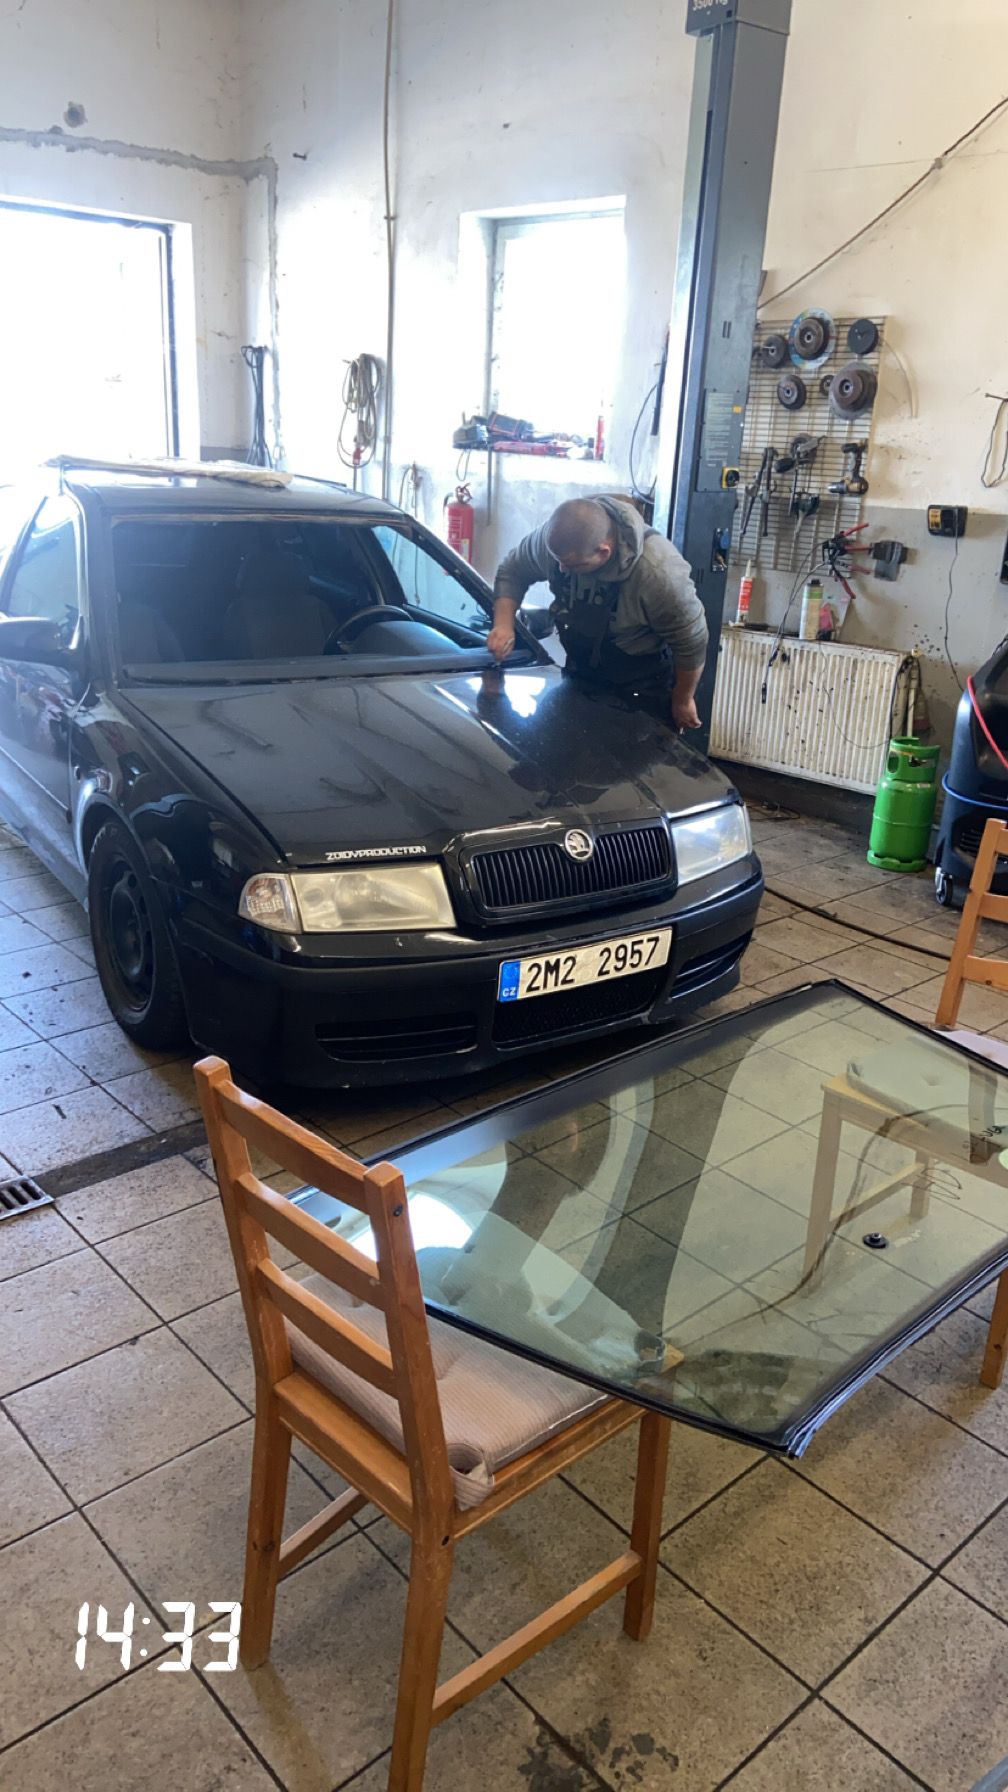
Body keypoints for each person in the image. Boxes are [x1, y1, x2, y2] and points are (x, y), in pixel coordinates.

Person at [488, 494, 708, 730]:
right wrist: (503, 625)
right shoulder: (558, 540)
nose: (562, 569)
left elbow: (691, 641)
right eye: (558, 561)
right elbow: (512, 570)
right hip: (580, 674)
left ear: (604, 551)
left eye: (573, 564)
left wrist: (683, 699)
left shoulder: (658, 573)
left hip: (641, 683)